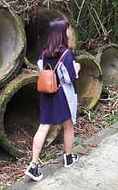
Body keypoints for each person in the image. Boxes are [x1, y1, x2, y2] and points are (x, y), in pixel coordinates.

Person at [25, 18, 81, 181]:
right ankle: (68, 157)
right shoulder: (66, 53)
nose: (70, 32)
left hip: (48, 94)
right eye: (68, 29)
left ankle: (34, 165)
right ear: (63, 33)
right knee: (68, 126)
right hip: (63, 94)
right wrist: (77, 68)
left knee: (43, 127)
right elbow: (71, 78)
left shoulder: (44, 53)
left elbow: (42, 71)